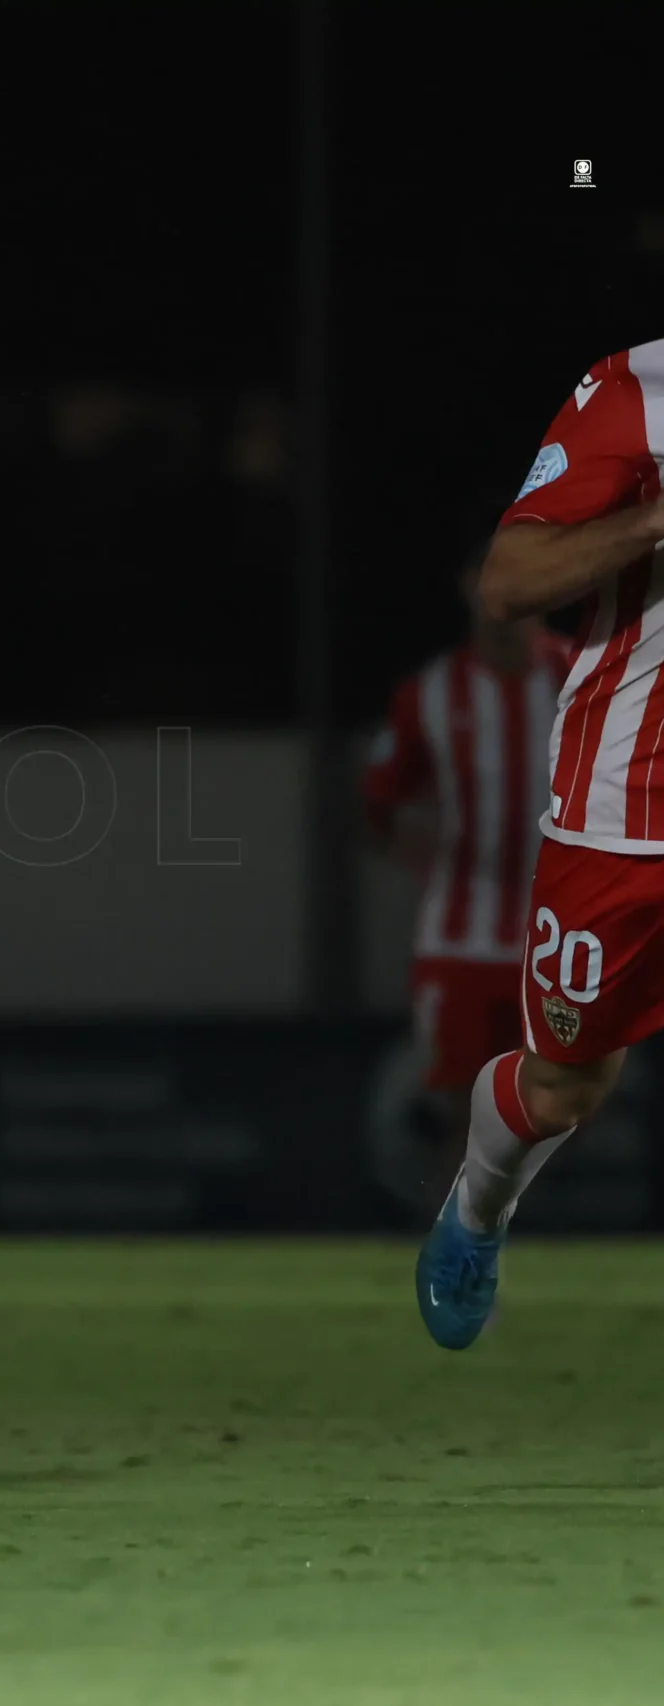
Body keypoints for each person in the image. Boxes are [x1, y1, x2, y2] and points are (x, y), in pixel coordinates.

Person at [417, 342, 664, 1350]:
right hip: (627, 806)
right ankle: (479, 1204)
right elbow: (510, 581)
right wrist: (654, 517)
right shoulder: (636, 391)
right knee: (564, 1086)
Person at [361, 550, 566, 1185]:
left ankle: (491, 1224)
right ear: (468, 588)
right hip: (460, 942)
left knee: (546, 1116)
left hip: (557, 942)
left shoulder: (583, 680)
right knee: (467, 1112)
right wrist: (415, 854)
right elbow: (379, 800)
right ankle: (464, 1245)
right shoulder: (432, 693)